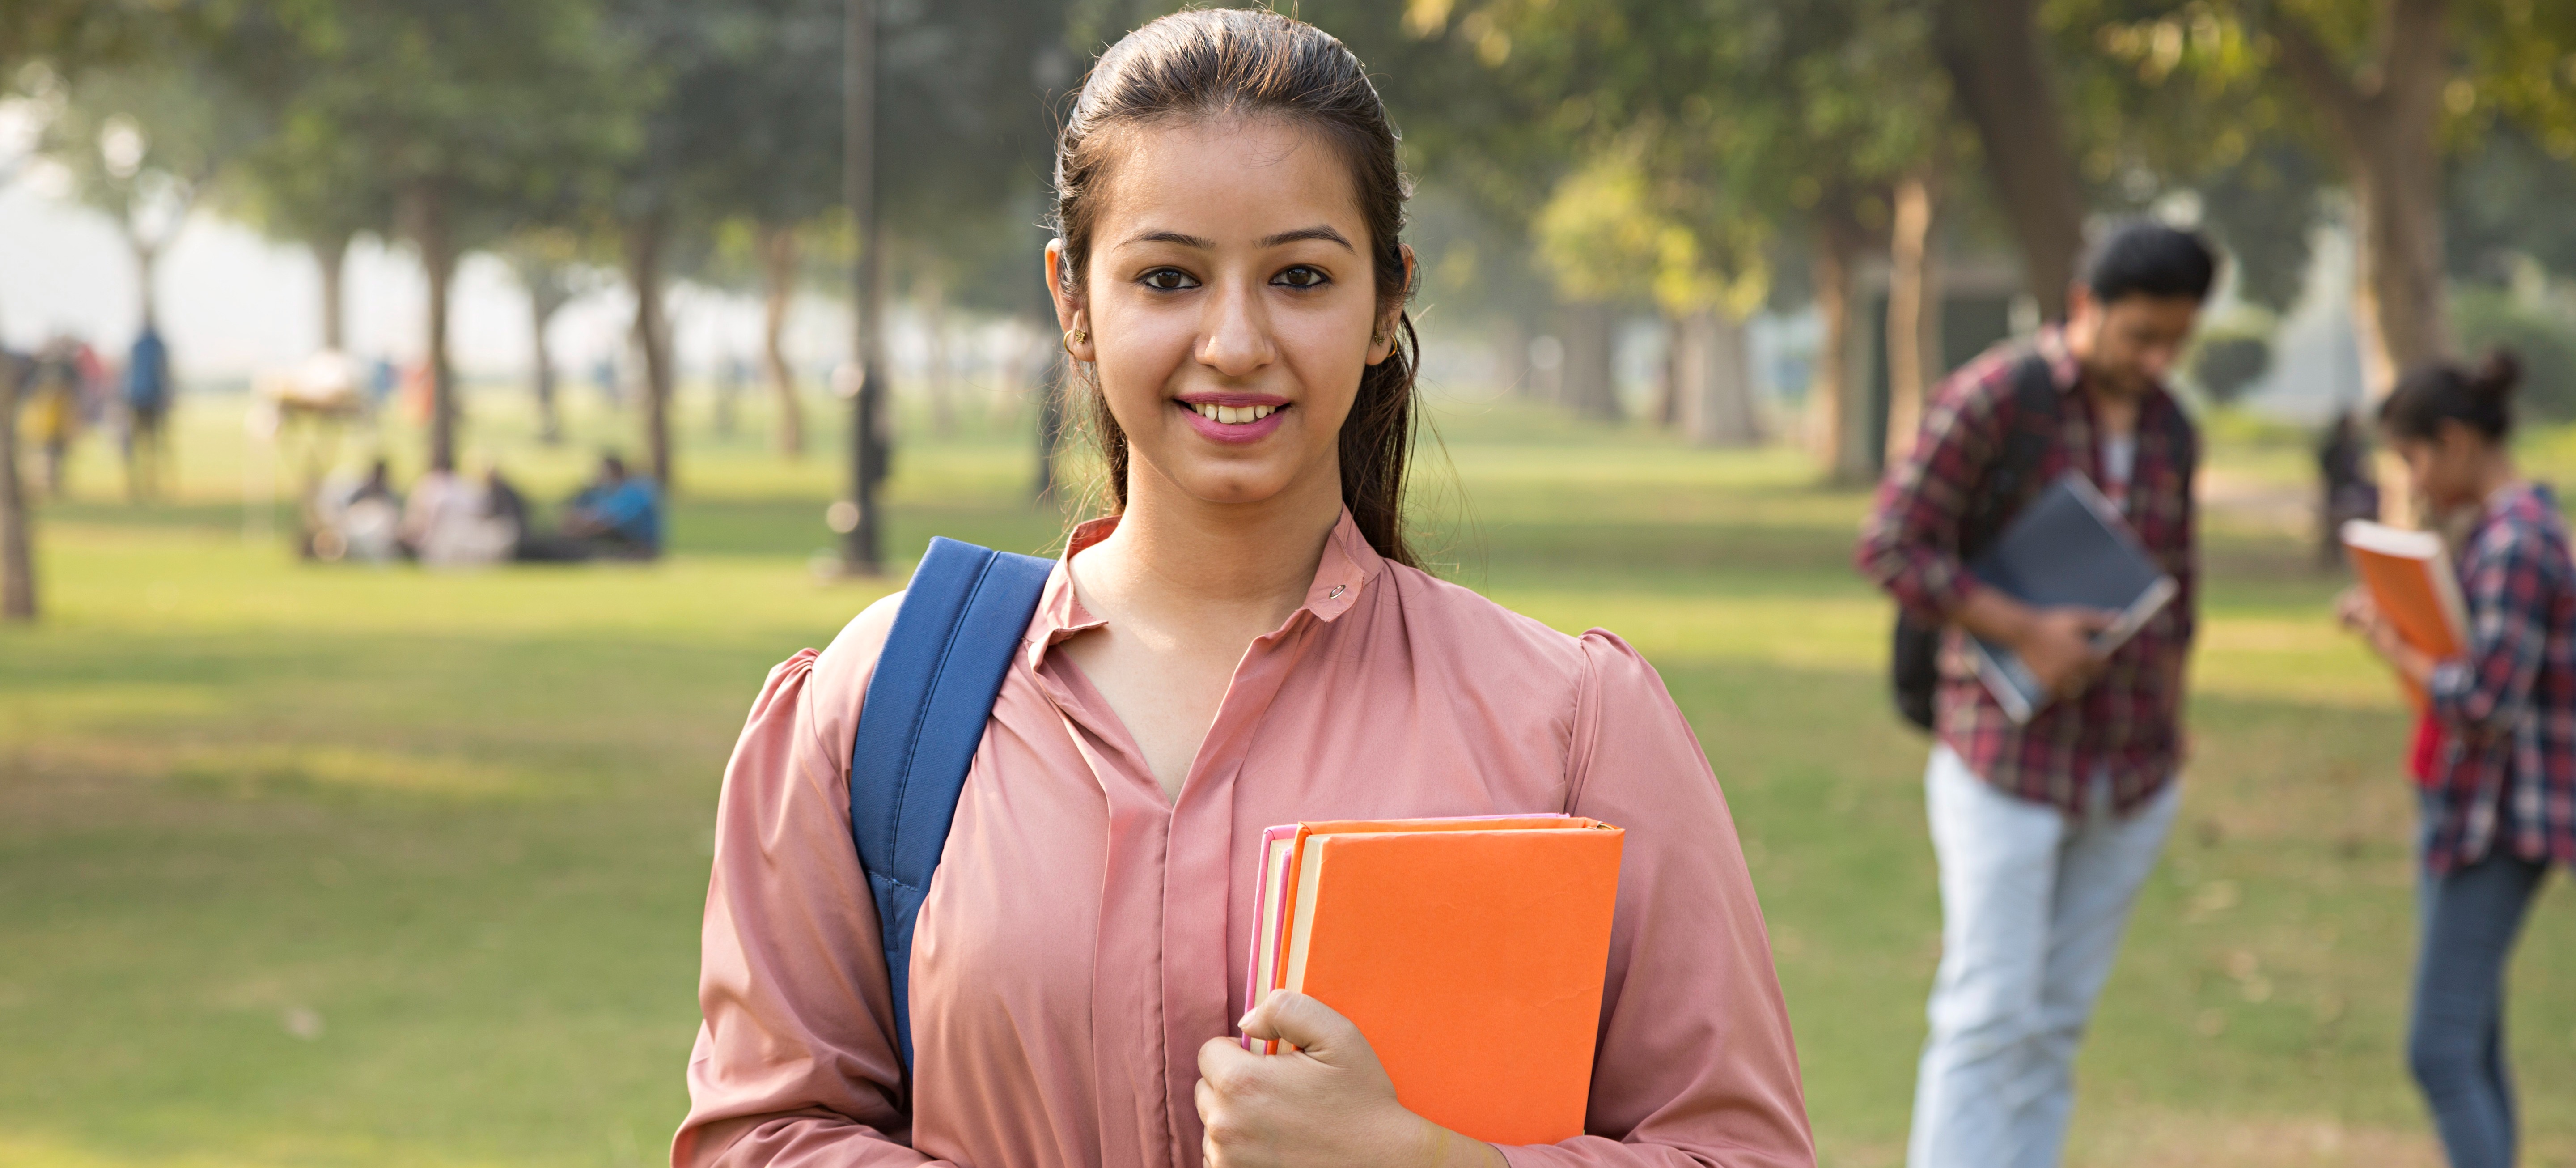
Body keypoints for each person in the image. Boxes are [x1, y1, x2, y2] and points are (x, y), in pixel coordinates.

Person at [673, 12, 1813, 1168]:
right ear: (1073, 298)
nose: (1233, 341)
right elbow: (762, 1131)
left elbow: (1740, 1150)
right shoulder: (888, 705)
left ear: (1385, 303)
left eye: (1301, 277)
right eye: (1168, 277)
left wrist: (1428, 1162)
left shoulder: (1565, 723)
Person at [1858, 221, 2214, 1168]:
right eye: (2141, 335)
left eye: (2176, 340)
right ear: (2086, 305)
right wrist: (2025, 629)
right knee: (1988, 1014)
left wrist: (2172, 727)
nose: (2157, 359)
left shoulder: (2175, 424)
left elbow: (2179, 582)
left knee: (2056, 1025)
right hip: (2004, 757)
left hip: (2131, 769)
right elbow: (1891, 545)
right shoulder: (1997, 398)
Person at [2335, 351, 2572, 1168]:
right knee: (2470, 1043)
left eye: (2414, 458)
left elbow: (2483, 701)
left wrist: (2391, 644)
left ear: (2459, 440)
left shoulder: (2519, 543)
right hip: (2470, 807)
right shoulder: (2504, 533)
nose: (2415, 480)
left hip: (2498, 821)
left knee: (2437, 1051)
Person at [559, 453, 661, 559]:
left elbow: (608, 521)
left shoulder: (633, 493)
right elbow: (592, 512)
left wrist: (575, 533)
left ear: (614, 472)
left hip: (638, 543)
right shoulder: (606, 492)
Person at [124, 322, 174, 502]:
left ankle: (147, 484)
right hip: (144, 399)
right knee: (147, 445)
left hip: (145, 399)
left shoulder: (142, 345)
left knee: (148, 445)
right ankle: (143, 485)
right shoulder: (152, 345)